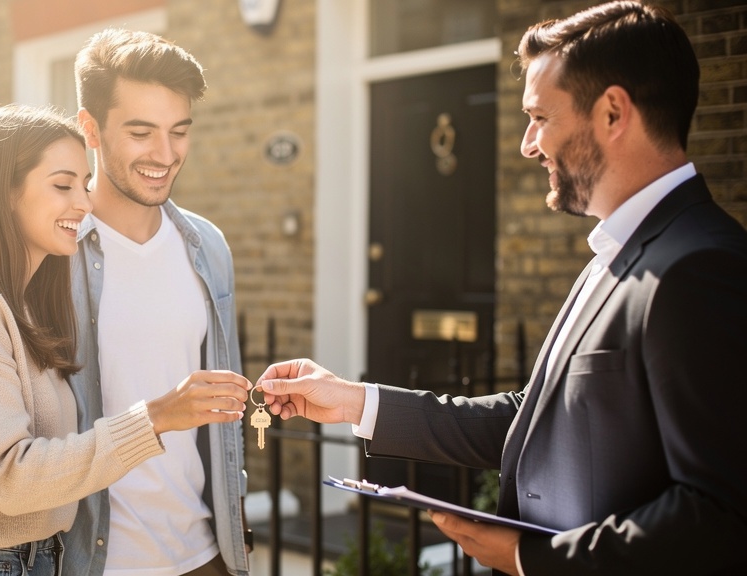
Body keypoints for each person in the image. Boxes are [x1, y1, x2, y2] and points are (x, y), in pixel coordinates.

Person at [258, 2, 747, 575]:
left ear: (613, 112)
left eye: (541, 117)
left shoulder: (699, 267)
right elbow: (538, 418)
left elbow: (720, 516)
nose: (528, 144)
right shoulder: (613, 252)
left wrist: (529, 557)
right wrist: (355, 402)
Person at [0, 30, 253, 576]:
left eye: (179, 132)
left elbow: (221, 407)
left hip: (201, 552)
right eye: (142, 132)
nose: (165, 155)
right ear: (91, 128)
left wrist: (235, 511)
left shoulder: (208, 248)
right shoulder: (50, 245)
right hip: (84, 558)